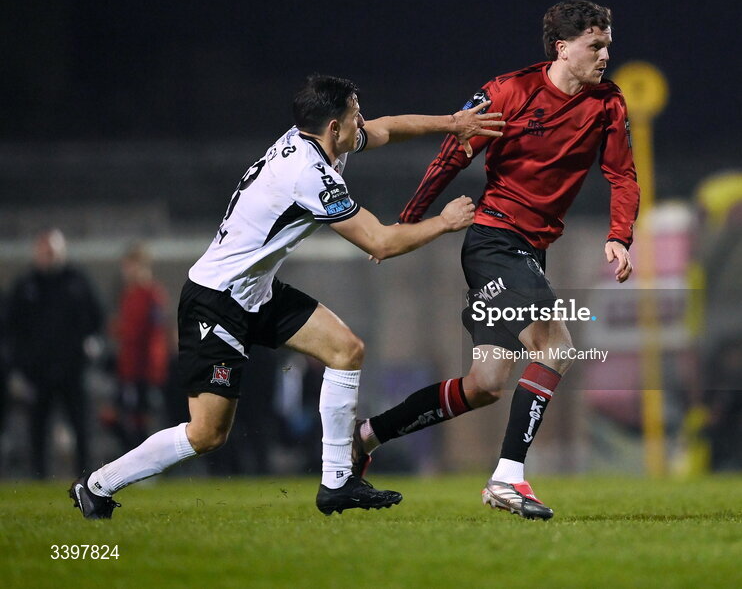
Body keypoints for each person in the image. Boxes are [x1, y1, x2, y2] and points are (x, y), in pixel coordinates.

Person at [69, 75, 504, 519]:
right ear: (334, 126)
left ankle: (337, 482)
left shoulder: (316, 139)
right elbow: (379, 242)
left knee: (346, 349)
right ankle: (98, 485)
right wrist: (445, 222)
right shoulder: (308, 175)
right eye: (356, 115)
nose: (363, 123)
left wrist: (452, 123)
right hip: (216, 301)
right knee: (207, 434)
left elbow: (388, 128)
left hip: (255, 292)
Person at [353, 0, 640, 520]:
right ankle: (507, 478)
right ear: (563, 48)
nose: (605, 55)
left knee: (484, 385)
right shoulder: (509, 91)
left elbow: (621, 175)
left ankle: (366, 437)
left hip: (530, 251)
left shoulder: (608, 103)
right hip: (494, 242)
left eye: (608, 45)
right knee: (556, 345)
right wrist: (408, 221)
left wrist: (620, 235)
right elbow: (451, 155)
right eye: (595, 46)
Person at [10, 228, 104, 478]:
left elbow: (97, 316)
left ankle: (87, 478)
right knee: (38, 427)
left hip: (73, 368)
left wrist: (93, 344)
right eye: (44, 251)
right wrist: (20, 365)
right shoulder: (26, 285)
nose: (48, 256)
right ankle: (39, 476)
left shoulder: (78, 281)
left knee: (81, 426)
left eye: (52, 251)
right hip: (38, 371)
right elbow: (12, 328)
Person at [110, 242, 170, 451]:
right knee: (120, 418)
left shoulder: (152, 295)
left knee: (143, 422)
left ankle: (150, 464)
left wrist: (154, 372)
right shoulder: (127, 295)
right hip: (128, 369)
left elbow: (154, 336)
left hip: (145, 371)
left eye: (131, 266)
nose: (127, 271)